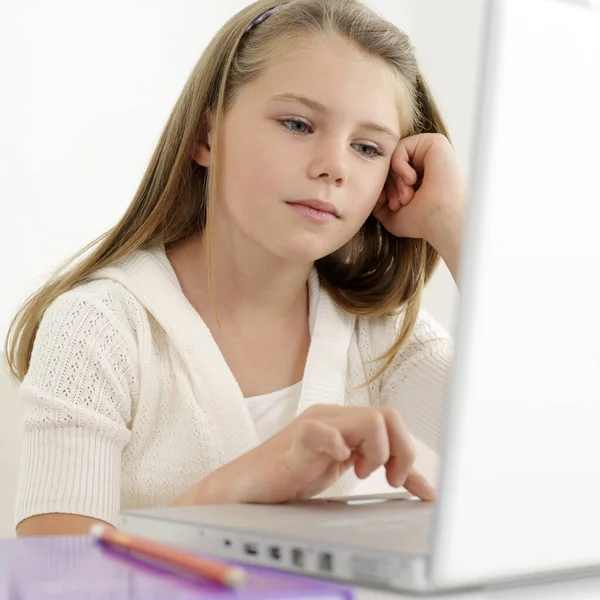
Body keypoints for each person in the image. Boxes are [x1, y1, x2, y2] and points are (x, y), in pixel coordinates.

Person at [6, 0, 466, 537]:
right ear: (206, 137)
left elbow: (555, 450)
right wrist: (239, 487)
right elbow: (56, 582)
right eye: (297, 123)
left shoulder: (380, 336)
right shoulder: (101, 329)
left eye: (367, 148)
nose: (334, 167)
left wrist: (455, 223)